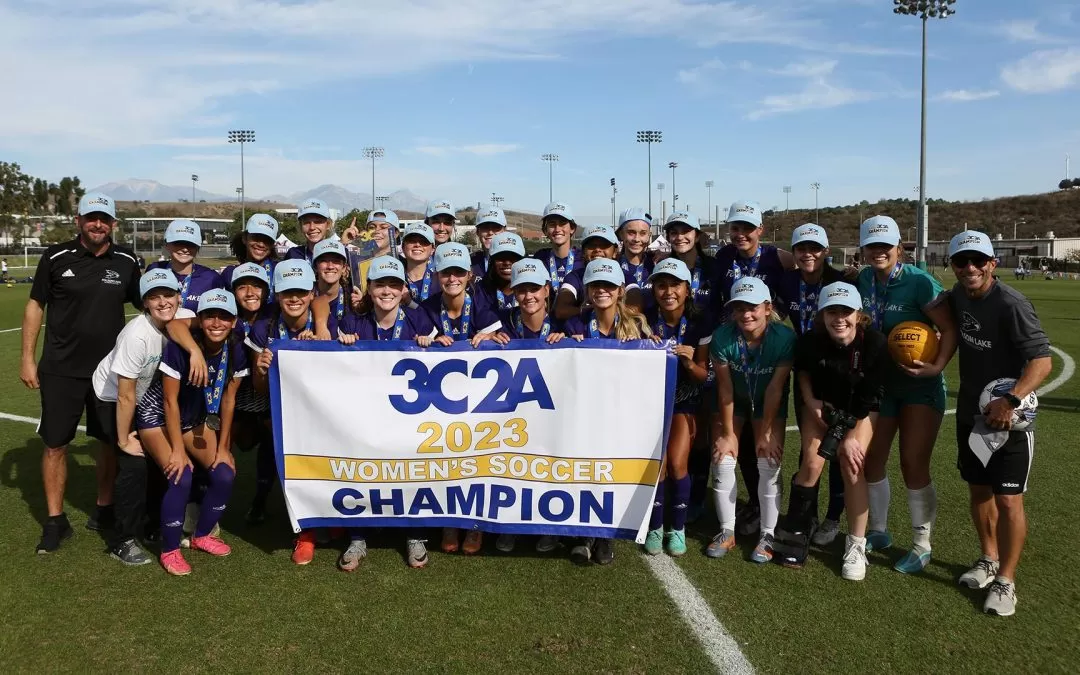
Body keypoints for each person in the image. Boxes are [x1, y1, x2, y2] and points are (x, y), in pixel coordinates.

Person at [21, 191, 142, 554]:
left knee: (108, 443)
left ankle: (104, 507)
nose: (98, 224)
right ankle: (56, 521)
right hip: (61, 370)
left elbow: (149, 304)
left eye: (105, 219)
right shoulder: (55, 257)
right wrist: (27, 357)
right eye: (91, 217)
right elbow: (35, 306)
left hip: (110, 373)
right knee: (56, 445)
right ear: (79, 221)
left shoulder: (127, 260)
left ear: (113, 224)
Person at [946, 231, 1052, 616]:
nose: (969, 268)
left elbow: (1042, 361)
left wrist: (1010, 400)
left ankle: (1006, 579)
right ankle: (988, 559)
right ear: (953, 265)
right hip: (970, 415)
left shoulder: (1011, 303)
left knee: (1009, 500)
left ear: (992, 263)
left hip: (1008, 420)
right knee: (979, 492)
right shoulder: (956, 295)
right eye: (961, 261)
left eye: (978, 261)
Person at [856, 215, 958, 574]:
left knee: (912, 464)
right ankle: (879, 532)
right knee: (872, 460)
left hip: (920, 387)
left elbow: (948, 328)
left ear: (899, 248)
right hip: (882, 386)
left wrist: (937, 366)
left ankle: (921, 545)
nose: (878, 252)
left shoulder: (919, 282)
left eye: (885, 246)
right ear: (864, 249)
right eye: (872, 246)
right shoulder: (864, 279)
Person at [335, 256, 441, 570]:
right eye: (380, 284)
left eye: (394, 284)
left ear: (403, 288)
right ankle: (358, 537)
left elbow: (441, 362)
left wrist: (430, 345)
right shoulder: (353, 322)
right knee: (361, 470)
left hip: (408, 418)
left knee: (412, 470)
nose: (387, 291)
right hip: (364, 416)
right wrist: (343, 344)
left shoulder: (418, 320)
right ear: (369, 288)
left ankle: (414, 534)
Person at [778, 282, 888, 578]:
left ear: (858, 314)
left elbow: (869, 395)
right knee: (812, 464)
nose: (839, 318)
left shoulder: (875, 343)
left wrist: (850, 436)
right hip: (822, 405)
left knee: (853, 466)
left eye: (846, 312)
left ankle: (856, 545)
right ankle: (797, 534)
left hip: (861, 410)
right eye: (832, 312)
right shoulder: (811, 341)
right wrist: (812, 402)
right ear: (822, 314)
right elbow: (802, 372)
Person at [135, 290, 244, 575]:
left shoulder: (236, 348)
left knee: (224, 472)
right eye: (210, 316)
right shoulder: (180, 347)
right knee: (181, 476)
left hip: (193, 417)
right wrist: (178, 451)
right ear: (200, 319)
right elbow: (169, 401)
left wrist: (223, 446)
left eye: (224, 316)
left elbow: (229, 400)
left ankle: (202, 535)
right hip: (156, 416)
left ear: (234, 321)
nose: (216, 322)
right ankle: (170, 549)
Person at [564, 258, 652, 566]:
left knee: (609, 472)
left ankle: (604, 535)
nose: (602, 291)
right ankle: (582, 534)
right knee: (583, 470)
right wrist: (563, 343)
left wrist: (647, 345)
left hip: (620, 413)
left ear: (619, 290)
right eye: (596, 286)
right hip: (583, 412)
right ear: (587, 290)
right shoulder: (576, 324)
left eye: (609, 286)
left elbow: (650, 365)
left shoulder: (636, 322)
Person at [90, 268, 182, 565]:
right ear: (144, 303)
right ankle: (122, 539)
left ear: (178, 297)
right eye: (154, 297)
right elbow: (125, 393)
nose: (163, 302)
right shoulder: (137, 335)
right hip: (111, 397)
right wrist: (123, 439)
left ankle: (151, 523)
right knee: (133, 464)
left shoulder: (178, 319)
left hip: (142, 396)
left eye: (168, 295)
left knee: (157, 459)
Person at [707, 277, 795, 564]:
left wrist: (767, 431)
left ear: (767, 308)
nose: (747, 314)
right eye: (740, 307)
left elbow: (775, 388)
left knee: (768, 459)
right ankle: (726, 531)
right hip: (736, 402)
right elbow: (725, 388)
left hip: (768, 402)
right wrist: (729, 432)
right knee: (723, 458)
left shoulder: (785, 338)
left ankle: (767, 535)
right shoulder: (722, 337)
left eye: (753, 307)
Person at [775, 223, 847, 547]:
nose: (808, 254)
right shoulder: (786, 282)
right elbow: (773, 315)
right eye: (802, 248)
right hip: (805, 371)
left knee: (840, 448)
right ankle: (809, 514)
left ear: (826, 251)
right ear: (794, 252)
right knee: (811, 448)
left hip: (840, 373)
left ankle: (833, 517)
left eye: (815, 248)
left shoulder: (841, 282)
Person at [641, 259, 712, 557]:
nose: (668, 291)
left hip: (685, 400)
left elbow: (703, 375)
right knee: (658, 467)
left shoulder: (700, 322)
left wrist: (687, 360)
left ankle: (678, 529)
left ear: (687, 289)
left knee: (679, 464)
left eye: (675, 285)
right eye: (661, 285)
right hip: (650, 402)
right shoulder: (643, 319)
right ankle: (655, 527)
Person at [420, 242, 503, 345]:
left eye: (459, 272)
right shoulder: (426, 309)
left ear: (470, 274)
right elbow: (421, 344)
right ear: (437, 276)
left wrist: (488, 340)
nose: (452, 279)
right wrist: (432, 344)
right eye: (445, 272)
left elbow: (492, 340)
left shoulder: (481, 305)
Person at [147, 219, 224, 316]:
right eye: (178, 243)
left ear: (198, 247)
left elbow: (216, 316)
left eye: (190, 244)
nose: (184, 249)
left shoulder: (211, 278)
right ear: (167, 244)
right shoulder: (154, 270)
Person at [554, 223, 628, 320]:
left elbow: (636, 308)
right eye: (591, 246)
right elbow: (561, 310)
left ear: (615, 252)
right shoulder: (575, 276)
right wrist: (596, 310)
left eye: (604, 245)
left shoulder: (626, 276)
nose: (597, 249)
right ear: (583, 251)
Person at [222, 213, 279, 299]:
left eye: (267, 240)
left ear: (272, 244)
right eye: (256, 237)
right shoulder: (230, 274)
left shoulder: (279, 270)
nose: (261, 244)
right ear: (245, 238)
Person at [534, 202, 583, 293]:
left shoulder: (582, 257)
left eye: (562, 223)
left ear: (572, 229)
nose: (557, 229)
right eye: (552, 224)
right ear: (545, 230)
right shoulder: (539, 258)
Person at [474, 231, 526, 312]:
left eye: (513, 257)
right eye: (501, 257)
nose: (507, 263)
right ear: (492, 261)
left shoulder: (532, 293)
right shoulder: (478, 292)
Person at [617, 207, 655, 309]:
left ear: (649, 236)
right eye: (631, 232)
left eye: (643, 233)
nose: (637, 239)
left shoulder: (657, 264)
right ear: (621, 234)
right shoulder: (613, 266)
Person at [400, 222, 440, 304]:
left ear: (433, 249)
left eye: (424, 241)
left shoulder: (440, 281)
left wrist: (409, 302)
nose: (417, 244)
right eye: (412, 241)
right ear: (403, 247)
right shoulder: (393, 281)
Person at [470, 206, 508, 276]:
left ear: (504, 231)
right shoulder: (469, 262)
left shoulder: (515, 263)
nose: (490, 232)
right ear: (478, 232)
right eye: (485, 227)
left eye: (496, 227)